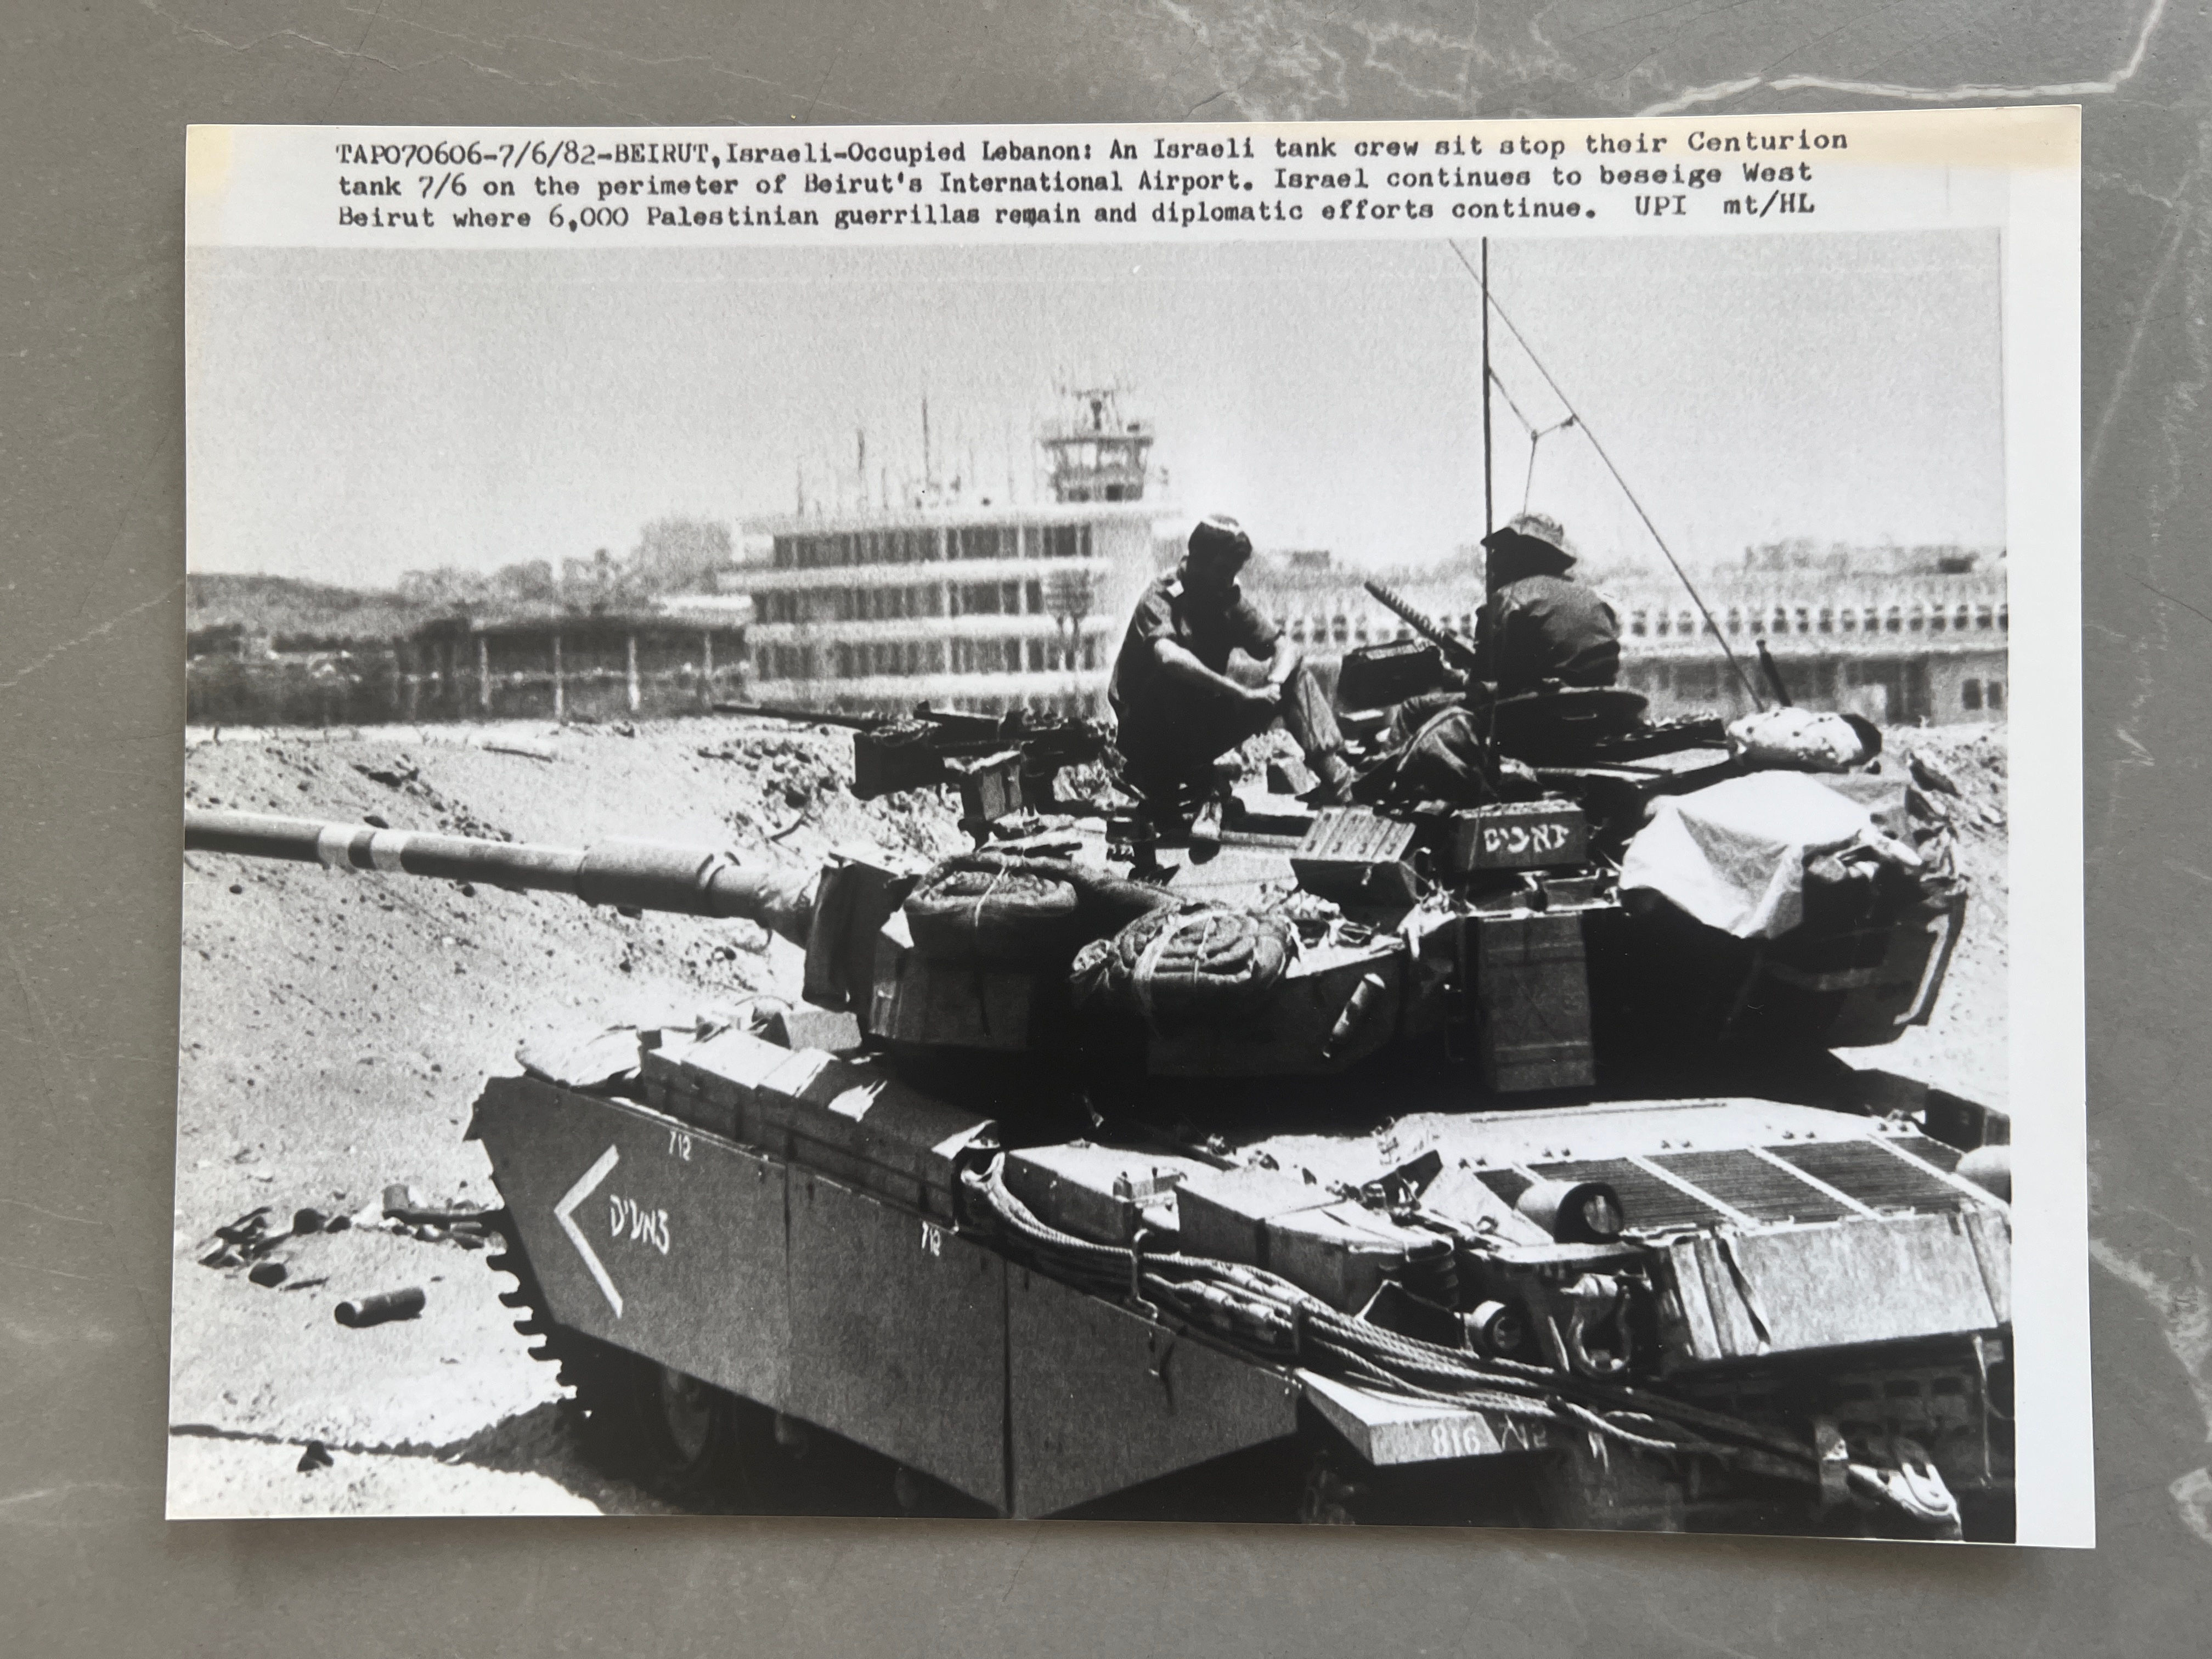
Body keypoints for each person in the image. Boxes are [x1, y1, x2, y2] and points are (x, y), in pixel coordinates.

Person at [1108, 515, 1356, 812]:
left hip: (1197, 727)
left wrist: (1274, 686)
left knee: (1295, 675)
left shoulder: (1224, 597)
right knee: (1172, 677)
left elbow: (1286, 646)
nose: (1228, 580)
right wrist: (1241, 694)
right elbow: (1170, 659)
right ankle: (1170, 779)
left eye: (1233, 572)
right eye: (1222, 571)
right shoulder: (1162, 596)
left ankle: (1338, 780)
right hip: (1150, 737)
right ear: (1197, 560)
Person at [1475, 512, 1621, 697]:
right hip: (1605, 706)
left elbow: (1481, 680)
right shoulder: (1594, 599)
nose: (1493, 560)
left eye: (1502, 550)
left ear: (1519, 555)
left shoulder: (1505, 600)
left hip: (1540, 712)